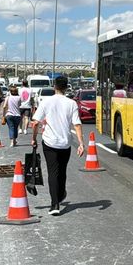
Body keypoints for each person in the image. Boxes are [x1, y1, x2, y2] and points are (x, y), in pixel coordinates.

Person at [31, 76, 84, 216]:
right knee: (62, 171)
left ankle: (55, 204)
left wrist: (34, 138)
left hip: (49, 142)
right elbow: (77, 124)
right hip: (65, 143)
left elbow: (35, 122)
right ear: (66, 88)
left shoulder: (46, 102)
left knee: (53, 172)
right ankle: (60, 194)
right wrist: (81, 144)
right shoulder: (71, 103)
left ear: (54, 87)